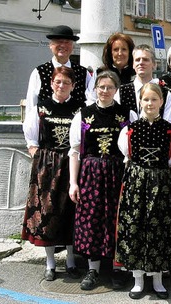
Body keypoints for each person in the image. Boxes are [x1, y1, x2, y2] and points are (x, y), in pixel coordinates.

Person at [68, 70, 137, 290]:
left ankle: (118, 268)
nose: (105, 91)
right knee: (92, 219)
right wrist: (73, 182)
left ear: (116, 90)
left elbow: (132, 150)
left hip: (118, 173)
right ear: (95, 88)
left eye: (109, 87)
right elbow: (75, 151)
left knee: (117, 219)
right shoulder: (83, 115)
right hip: (91, 174)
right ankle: (93, 269)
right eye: (101, 87)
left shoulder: (127, 114)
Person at [115, 83, 171, 300]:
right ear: (140, 102)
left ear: (161, 102)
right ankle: (138, 280)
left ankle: (158, 280)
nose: (150, 103)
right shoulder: (129, 129)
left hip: (161, 184)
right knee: (135, 228)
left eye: (154, 99)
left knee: (159, 229)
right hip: (136, 183)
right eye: (146, 99)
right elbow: (127, 160)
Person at [21, 66, 85, 281]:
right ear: (51, 84)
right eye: (58, 82)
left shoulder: (80, 109)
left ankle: (70, 261)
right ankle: (50, 263)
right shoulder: (41, 108)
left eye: (66, 83)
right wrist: (37, 155)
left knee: (70, 213)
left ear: (73, 86)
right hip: (48, 165)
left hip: (72, 164)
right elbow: (31, 137)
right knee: (48, 212)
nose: (61, 86)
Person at [26, 25, 92, 114]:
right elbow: (31, 104)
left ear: (72, 46)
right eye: (59, 41)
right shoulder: (39, 72)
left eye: (67, 42)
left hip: (75, 125)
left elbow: (91, 101)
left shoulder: (83, 73)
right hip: (47, 125)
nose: (63, 45)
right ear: (51, 45)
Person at [118, 44, 159, 114]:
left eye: (145, 60)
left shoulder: (165, 93)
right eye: (137, 60)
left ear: (154, 65)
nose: (141, 63)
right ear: (133, 65)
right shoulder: (121, 92)